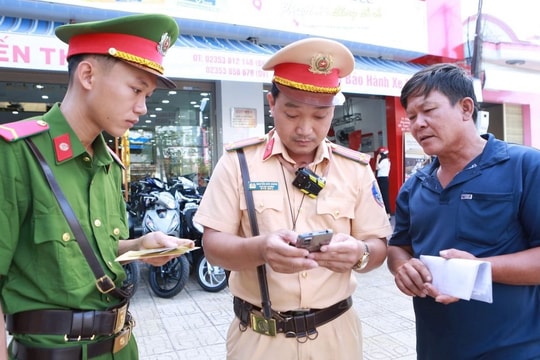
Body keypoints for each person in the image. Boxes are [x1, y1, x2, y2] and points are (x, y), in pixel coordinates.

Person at [0, 14, 195, 360]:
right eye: (136, 89)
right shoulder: (16, 154)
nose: (142, 108)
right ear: (88, 75)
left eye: (148, 95)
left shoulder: (107, 164)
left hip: (121, 348)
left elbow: (91, 250)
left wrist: (140, 245)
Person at [193, 38, 393, 360]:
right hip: (259, 339)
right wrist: (260, 249)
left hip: (336, 336)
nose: (305, 129)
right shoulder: (238, 162)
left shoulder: (354, 169)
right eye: (291, 113)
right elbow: (213, 247)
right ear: (271, 103)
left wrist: (360, 252)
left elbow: (379, 249)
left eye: (320, 116)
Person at [387, 63, 540, 359]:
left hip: (515, 349)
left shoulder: (525, 167)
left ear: (466, 108)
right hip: (436, 349)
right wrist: (403, 268)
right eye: (412, 116)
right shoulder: (414, 186)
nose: (418, 124)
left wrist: (479, 270)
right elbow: (398, 248)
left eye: (428, 110)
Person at [375, 147, 391, 218]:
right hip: (382, 179)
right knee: (381, 196)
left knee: (384, 196)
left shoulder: (384, 161)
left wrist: (377, 159)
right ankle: (385, 213)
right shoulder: (386, 161)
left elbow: (376, 167)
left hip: (383, 179)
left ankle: (388, 213)